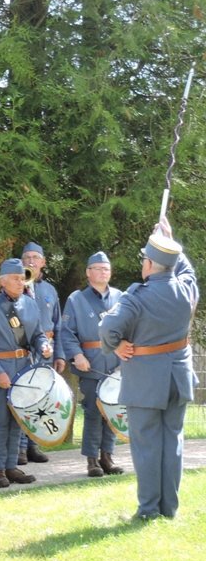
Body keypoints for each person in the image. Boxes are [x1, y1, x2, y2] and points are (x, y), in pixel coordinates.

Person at [100, 219, 197, 520]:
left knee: (147, 447)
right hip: (178, 379)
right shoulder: (186, 290)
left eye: (145, 259)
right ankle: (169, 509)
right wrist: (169, 240)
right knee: (173, 443)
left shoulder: (136, 297)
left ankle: (148, 510)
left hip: (145, 382)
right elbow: (188, 271)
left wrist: (116, 345)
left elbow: (107, 328)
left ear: (150, 264)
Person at [0, 258, 51, 488]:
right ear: (3, 282)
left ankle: (11, 466)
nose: (21, 282)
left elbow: (37, 335)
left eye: (22, 278)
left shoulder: (30, 304)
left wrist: (44, 346)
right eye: (16, 279)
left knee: (18, 420)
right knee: (0, 421)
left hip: (24, 369)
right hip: (2, 369)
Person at [59, 252, 124, 477]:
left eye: (107, 269)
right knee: (94, 412)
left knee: (112, 409)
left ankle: (107, 456)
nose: (103, 272)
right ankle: (92, 459)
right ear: (88, 272)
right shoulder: (76, 299)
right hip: (90, 362)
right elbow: (67, 333)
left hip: (115, 362)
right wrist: (77, 356)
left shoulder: (120, 297)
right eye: (98, 268)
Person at [18, 242, 63, 464]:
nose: (31, 261)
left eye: (35, 257)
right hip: (22, 350)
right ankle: (19, 448)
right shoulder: (15, 288)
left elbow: (58, 325)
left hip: (45, 351)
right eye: (27, 257)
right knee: (22, 398)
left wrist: (60, 354)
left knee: (40, 398)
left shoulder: (49, 291)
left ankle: (33, 444)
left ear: (43, 262)